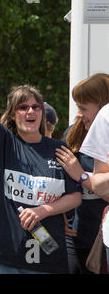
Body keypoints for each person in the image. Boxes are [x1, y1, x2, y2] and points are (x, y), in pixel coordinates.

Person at [0, 43, 82, 274]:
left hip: (48, 259)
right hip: (5, 257)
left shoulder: (58, 148)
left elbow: (75, 197)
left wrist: (44, 209)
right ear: (13, 113)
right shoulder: (5, 143)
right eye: (23, 107)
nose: (30, 111)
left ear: (42, 112)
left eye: (36, 107)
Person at [54, 73, 109, 273]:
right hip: (74, 233)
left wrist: (82, 176)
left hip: (102, 239)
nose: (78, 114)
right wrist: (59, 215)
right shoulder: (71, 134)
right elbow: (58, 183)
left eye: (83, 108)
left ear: (103, 107)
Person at [80, 102, 109, 272]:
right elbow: (99, 185)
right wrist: (79, 176)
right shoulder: (107, 114)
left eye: (83, 108)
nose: (79, 114)